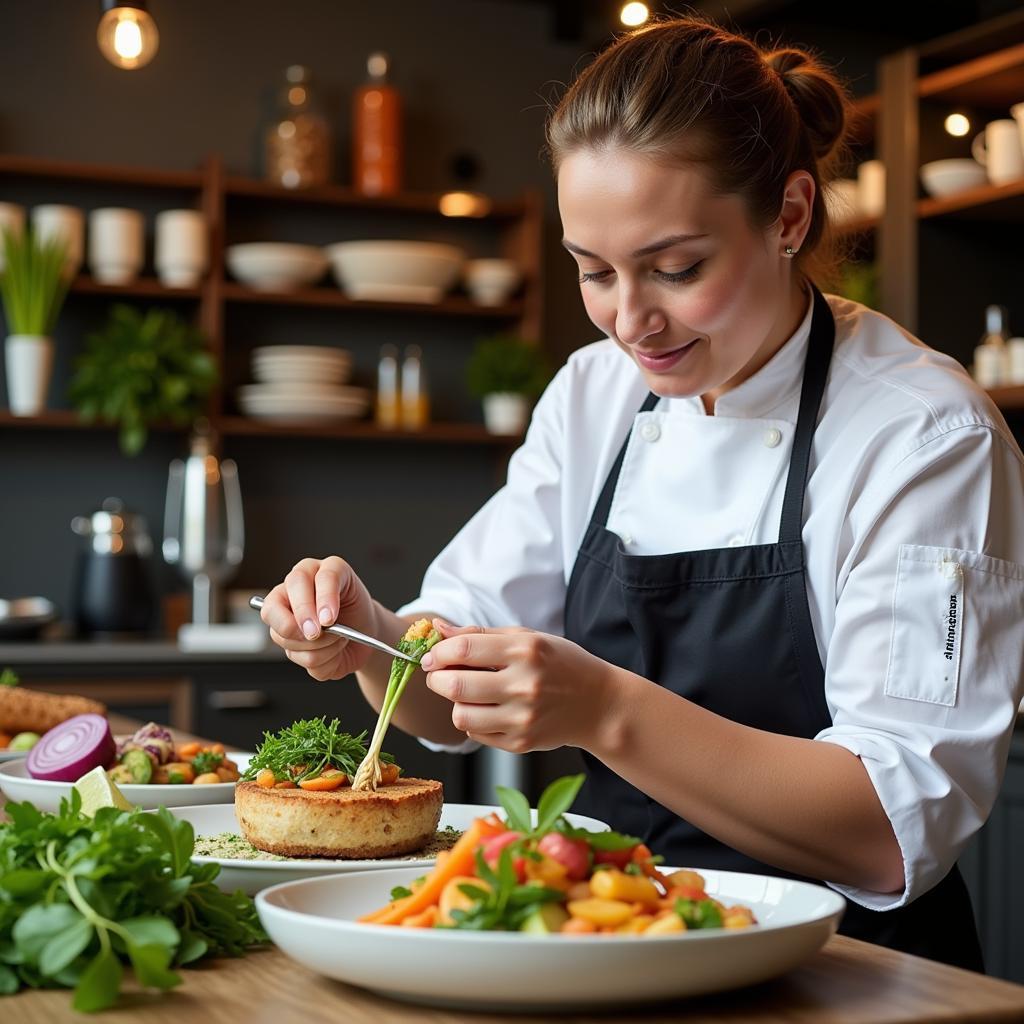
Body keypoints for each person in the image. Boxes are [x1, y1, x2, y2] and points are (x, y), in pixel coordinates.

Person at [259, 17, 1024, 970]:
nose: (631, 320)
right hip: (611, 941)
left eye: (677, 268)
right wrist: (371, 636)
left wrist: (605, 710)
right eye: (594, 272)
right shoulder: (595, 393)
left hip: (849, 972)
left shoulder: (921, 433)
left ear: (789, 216)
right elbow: (448, 673)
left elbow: (889, 825)